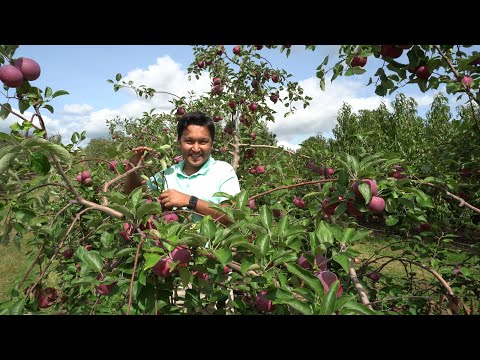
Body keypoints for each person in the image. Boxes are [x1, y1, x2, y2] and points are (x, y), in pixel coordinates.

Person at [124, 111, 240, 226]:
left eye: (203, 142)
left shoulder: (223, 171)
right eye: (189, 141)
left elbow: (231, 216)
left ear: (211, 144)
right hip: (168, 243)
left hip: (211, 243)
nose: (196, 148)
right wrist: (133, 167)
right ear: (179, 143)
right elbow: (134, 195)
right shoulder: (168, 174)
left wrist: (190, 201)